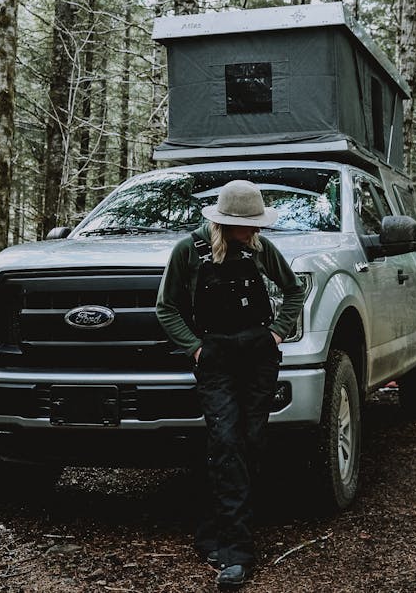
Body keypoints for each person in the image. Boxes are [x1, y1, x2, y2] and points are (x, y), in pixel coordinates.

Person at [156, 179, 305, 588]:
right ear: (226, 223)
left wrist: (276, 332)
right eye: (250, 225)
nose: (256, 231)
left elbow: (294, 291)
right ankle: (236, 552)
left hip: (258, 357)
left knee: (250, 440)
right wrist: (196, 349)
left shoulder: (259, 249)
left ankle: (212, 530)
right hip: (216, 358)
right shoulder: (189, 250)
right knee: (225, 440)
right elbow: (166, 308)